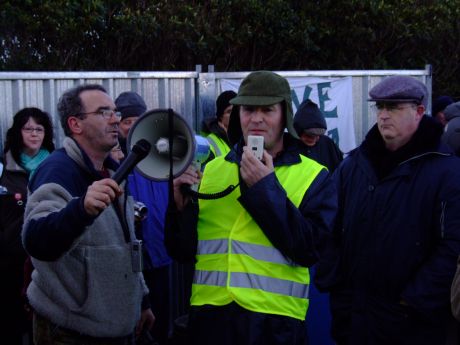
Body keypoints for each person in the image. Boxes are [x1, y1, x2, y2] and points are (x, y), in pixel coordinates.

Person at [165, 70, 337, 345]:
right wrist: (178, 208)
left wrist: (264, 187)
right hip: (210, 319)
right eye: (247, 109)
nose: (256, 119)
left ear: (285, 116)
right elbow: (182, 251)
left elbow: (309, 250)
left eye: (267, 110)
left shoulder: (315, 176)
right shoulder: (210, 170)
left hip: (274, 324)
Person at [316, 76, 460, 345]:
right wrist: (338, 287)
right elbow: (328, 226)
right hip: (355, 319)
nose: (383, 116)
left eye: (393, 108)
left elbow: (452, 247)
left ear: (419, 112)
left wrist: (413, 299)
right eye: (380, 107)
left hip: (414, 325)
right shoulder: (353, 165)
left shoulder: (447, 172)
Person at [22, 84, 154, 344]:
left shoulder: (115, 171)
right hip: (70, 331)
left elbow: (126, 245)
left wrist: (141, 299)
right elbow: (36, 240)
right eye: (104, 112)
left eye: (115, 112)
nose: (115, 119)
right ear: (76, 124)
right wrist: (80, 210)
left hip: (118, 325)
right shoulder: (57, 172)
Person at [115, 91, 172, 345]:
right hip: (128, 261)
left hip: (160, 253)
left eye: (138, 121)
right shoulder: (111, 159)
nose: (133, 128)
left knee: (161, 322)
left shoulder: (161, 154)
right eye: (127, 122)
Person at [0, 107, 54, 345]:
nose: (34, 134)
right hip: (8, 265)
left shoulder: (56, 167)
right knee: (10, 326)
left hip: (45, 263)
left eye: (39, 129)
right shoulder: (3, 168)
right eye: (28, 128)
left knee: (42, 328)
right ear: (17, 133)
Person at [293, 99, 343, 172]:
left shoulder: (328, 144)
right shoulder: (287, 147)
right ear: (298, 131)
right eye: (310, 135)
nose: (315, 139)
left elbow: (340, 173)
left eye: (319, 135)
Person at [201, 90, 236, 160]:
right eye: (229, 112)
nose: (234, 115)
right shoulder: (210, 143)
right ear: (220, 116)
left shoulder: (241, 137)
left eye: (237, 111)